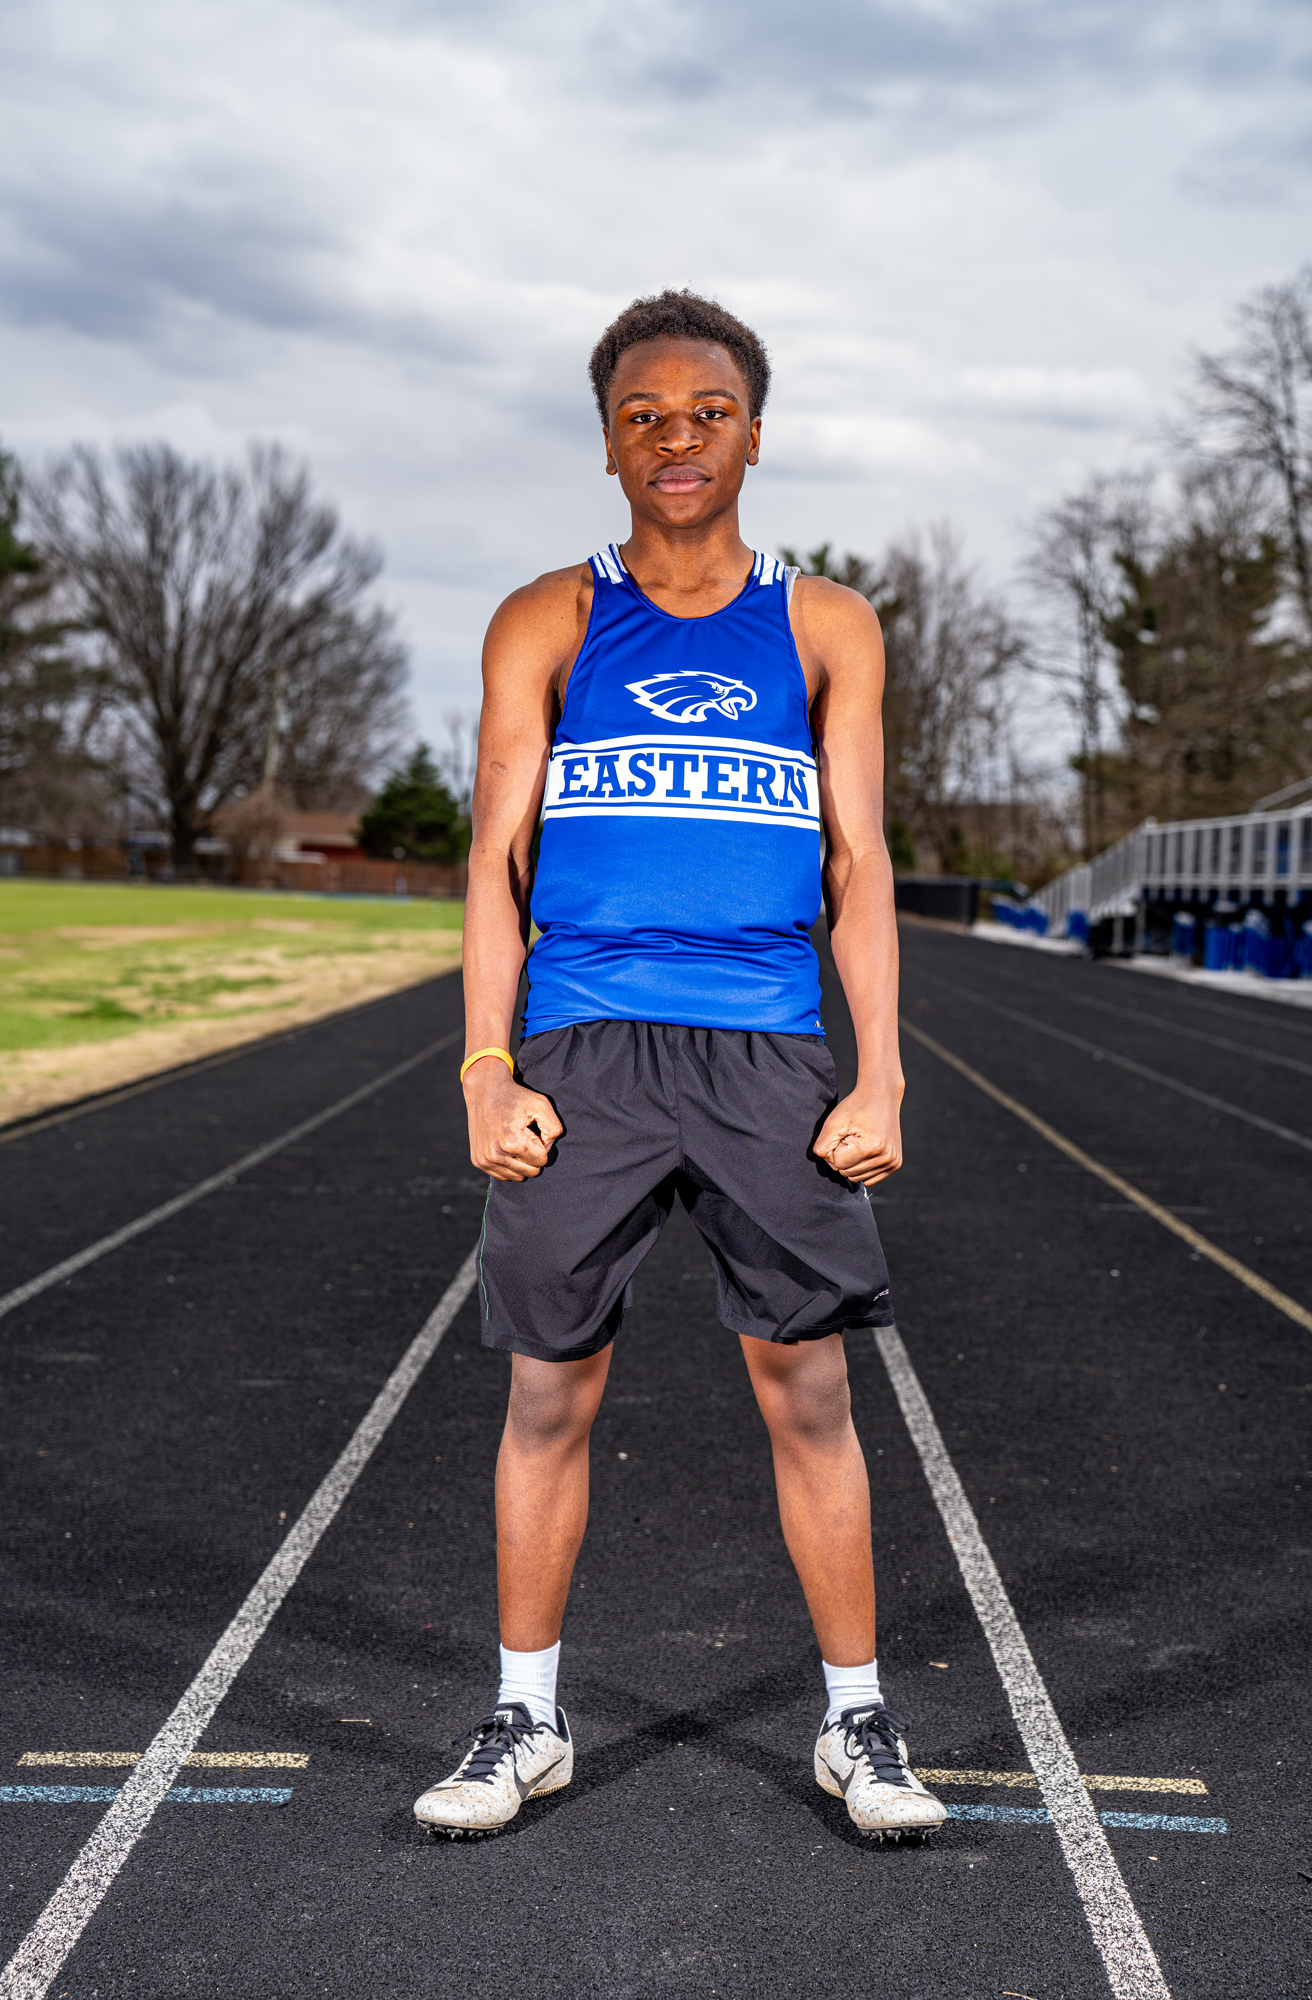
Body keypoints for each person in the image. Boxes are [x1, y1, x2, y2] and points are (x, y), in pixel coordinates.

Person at [413, 289, 945, 1845]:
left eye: (706, 411)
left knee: (808, 1387)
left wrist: (881, 1075)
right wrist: (484, 1067)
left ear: (753, 434)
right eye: (642, 416)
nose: (676, 438)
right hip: (581, 1046)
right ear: (606, 445)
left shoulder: (826, 625)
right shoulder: (547, 618)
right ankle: (527, 1716)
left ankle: (857, 1723)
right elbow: (492, 859)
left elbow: (858, 863)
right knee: (547, 1391)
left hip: (768, 1044)